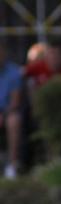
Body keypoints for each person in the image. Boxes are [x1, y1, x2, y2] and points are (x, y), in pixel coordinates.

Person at [0, 43, 23, 179]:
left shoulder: (13, 72)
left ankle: (12, 165)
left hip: (8, 112)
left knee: (14, 121)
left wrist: (3, 114)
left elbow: (15, 101)